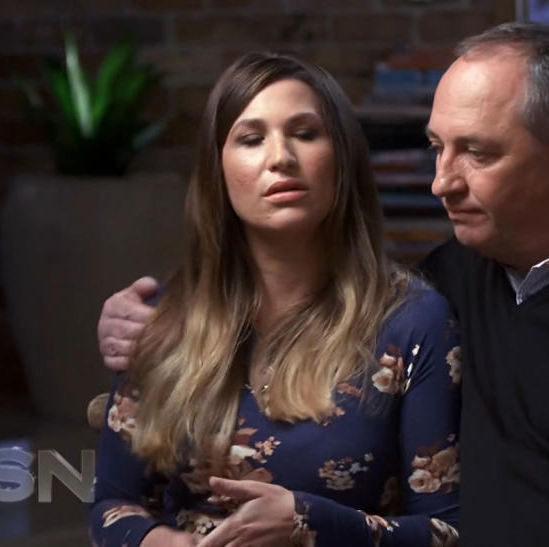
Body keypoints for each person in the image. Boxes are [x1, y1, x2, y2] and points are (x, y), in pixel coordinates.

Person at [98, 23, 549, 546]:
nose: (442, 182)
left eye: (478, 153)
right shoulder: (460, 274)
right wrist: (141, 317)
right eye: (438, 148)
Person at [89, 52, 461, 547]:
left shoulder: (414, 323)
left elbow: (446, 534)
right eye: (251, 138)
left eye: (305, 133)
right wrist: (160, 542)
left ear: (343, 160)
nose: (280, 157)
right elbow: (112, 505)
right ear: (218, 171)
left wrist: (309, 522)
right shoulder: (161, 317)